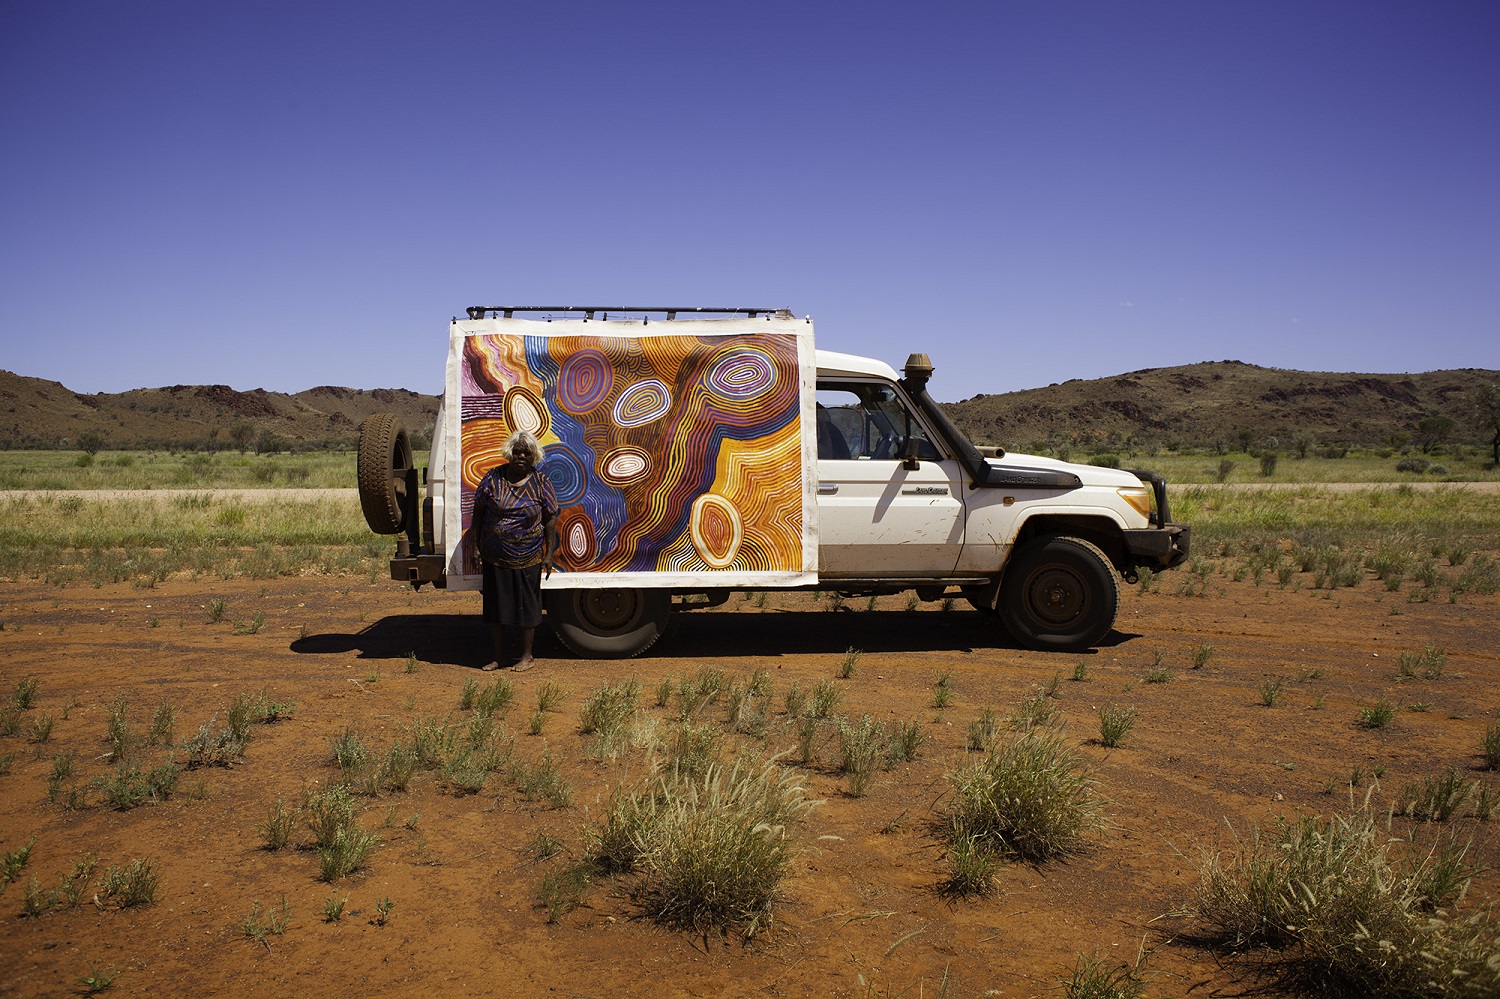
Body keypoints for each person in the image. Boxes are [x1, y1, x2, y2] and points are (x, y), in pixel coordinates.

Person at [470, 429, 558, 671]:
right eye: (517, 452)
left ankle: (527, 656)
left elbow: (550, 519)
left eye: (526, 453)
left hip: (528, 556)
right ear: (509, 454)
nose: (521, 456)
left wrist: (549, 554)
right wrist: (475, 545)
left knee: (526, 609)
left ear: (534, 457)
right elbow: (478, 512)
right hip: (494, 555)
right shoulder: (492, 478)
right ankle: (499, 657)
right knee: (496, 608)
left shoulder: (541, 482)